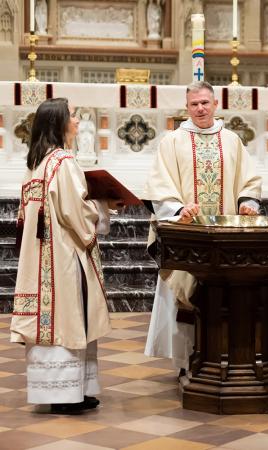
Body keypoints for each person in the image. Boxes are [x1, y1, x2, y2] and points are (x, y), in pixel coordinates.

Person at [143, 81, 262, 373]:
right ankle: (188, 361)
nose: (200, 109)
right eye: (194, 104)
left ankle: (226, 355)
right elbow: (160, 185)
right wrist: (179, 209)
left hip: (226, 238)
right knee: (188, 294)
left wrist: (247, 203)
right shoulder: (172, 140)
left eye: (205, 103)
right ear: (187, 107)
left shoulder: (232, 139)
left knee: (227, 295)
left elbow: (248, 181)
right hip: (189, 237)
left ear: (215, 104)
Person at [11, 98, 118, 413]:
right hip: (62, 258)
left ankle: (65, 391)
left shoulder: (36, 164)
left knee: (53, 321)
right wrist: (103, 206)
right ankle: (65, 395)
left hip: (38, 259)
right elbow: (76, 212)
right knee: (68, 320)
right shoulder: (63, 162)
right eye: (74, 116)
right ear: (59, 123)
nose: (78, 122)